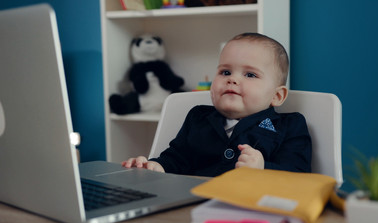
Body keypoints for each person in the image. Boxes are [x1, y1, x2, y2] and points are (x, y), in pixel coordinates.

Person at [122, 32, 311, 177]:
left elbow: (298, 174)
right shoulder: (198, 117)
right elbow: (177, 158)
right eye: (225, 72)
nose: (233, 80)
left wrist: (263, 168)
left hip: (254, 210)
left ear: (277, 96)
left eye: (250, 74)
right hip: (192, 205)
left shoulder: (289, 126)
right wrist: (156, 166)